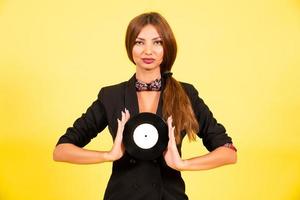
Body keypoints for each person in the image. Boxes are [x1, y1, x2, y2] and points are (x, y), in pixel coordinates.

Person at [53, 11, 237, 200]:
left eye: (157, 42)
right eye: (139, 42)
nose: (148, 51)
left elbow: (228, 152)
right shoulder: (112, 96)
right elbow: (61, 150)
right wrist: (108, 155)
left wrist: (183, 164)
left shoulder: (185, 94)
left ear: (167, 47)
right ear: (130, 47)